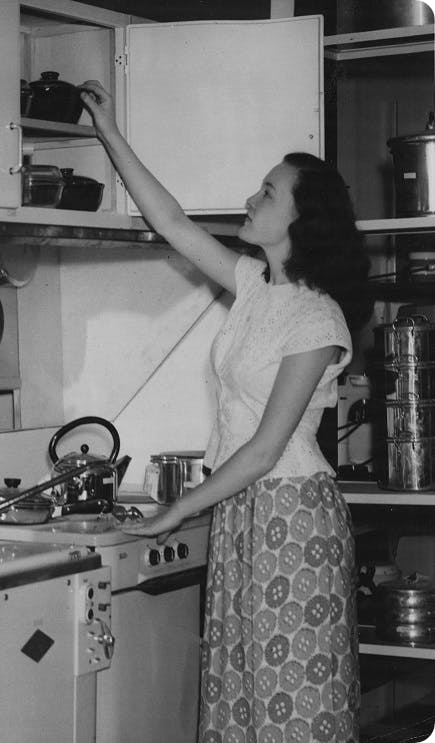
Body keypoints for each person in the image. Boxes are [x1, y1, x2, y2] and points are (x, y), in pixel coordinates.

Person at [80, 80, 369, 743]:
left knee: (293, 705)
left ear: (299, 219)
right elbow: (172, 222)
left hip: (292, 518)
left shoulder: (315, 316)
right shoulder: (252, 286)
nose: (249, 198)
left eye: (267, 192)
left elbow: (267, 447)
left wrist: (179, 508)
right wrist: (108, 132)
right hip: (246, 511)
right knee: (240, 700)